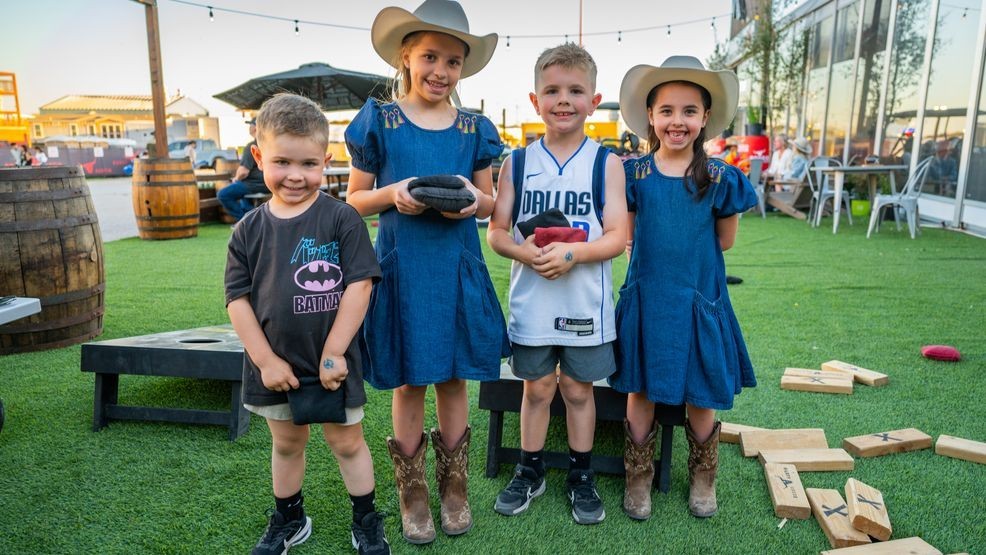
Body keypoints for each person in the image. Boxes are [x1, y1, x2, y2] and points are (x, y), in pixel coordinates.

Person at [344, 0, 507, 545]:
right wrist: (393, 194)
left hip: (456, 265)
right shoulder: (380, 122)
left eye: (454, 61)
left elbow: (489, 202)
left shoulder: (473, 128)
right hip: (403, 269)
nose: (441, 70)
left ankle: (454, 488)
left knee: (454, 375)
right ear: (405, 58)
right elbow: (353, 202)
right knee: (410, 378)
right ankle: (413, 493)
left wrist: (471, 203)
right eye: (430, 56)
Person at [225, 93, 390, 555]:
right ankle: (291, 518)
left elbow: (360, 286)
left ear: (326, 161)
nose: (295, 175)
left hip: (333, 363)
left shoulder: (341, 219)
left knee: (347, 443)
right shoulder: (247, 231)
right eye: (281, 161)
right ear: (259, 157)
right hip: (275, 365)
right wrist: (265, 361)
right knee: (286, 443)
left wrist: (335, 350)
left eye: (308, 163)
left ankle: (366, 520)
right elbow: (237, 300)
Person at [612, 56, 758, 520]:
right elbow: (629, 236)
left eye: (689, 111)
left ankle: (703, 477)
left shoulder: (721, 177)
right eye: (668, 110)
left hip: (699, 296)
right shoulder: (633, 174)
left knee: (702, 390)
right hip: (649, 296)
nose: (678, 121)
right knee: (640, 389)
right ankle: (639, 477)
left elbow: (725, 241)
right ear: (651, 117)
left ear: (705, 119)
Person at [487, 44, 627, 525]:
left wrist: (574, 253)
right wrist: (525, 252)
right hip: (533, 305)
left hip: (585, 303)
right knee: (538, 388)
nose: (563, 100)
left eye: (575, 91)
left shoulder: (605, 163)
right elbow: (497, 233)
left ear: (594, 99)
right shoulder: (518, 163)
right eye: (552, 91)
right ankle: (529, 469)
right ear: (534, 99)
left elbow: (617, 238)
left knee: (579, 390)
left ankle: (580, 475)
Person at [218, 119, 269, 222]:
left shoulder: (252, 146)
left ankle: (244, 221)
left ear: (255, 128)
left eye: (250, 125)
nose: (249, 127)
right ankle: (253, 219)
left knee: (223, 194)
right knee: (244, 198)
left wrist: (236, 179)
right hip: (267, 184)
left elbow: (243, 171)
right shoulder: (269, 144)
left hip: (253, 184)